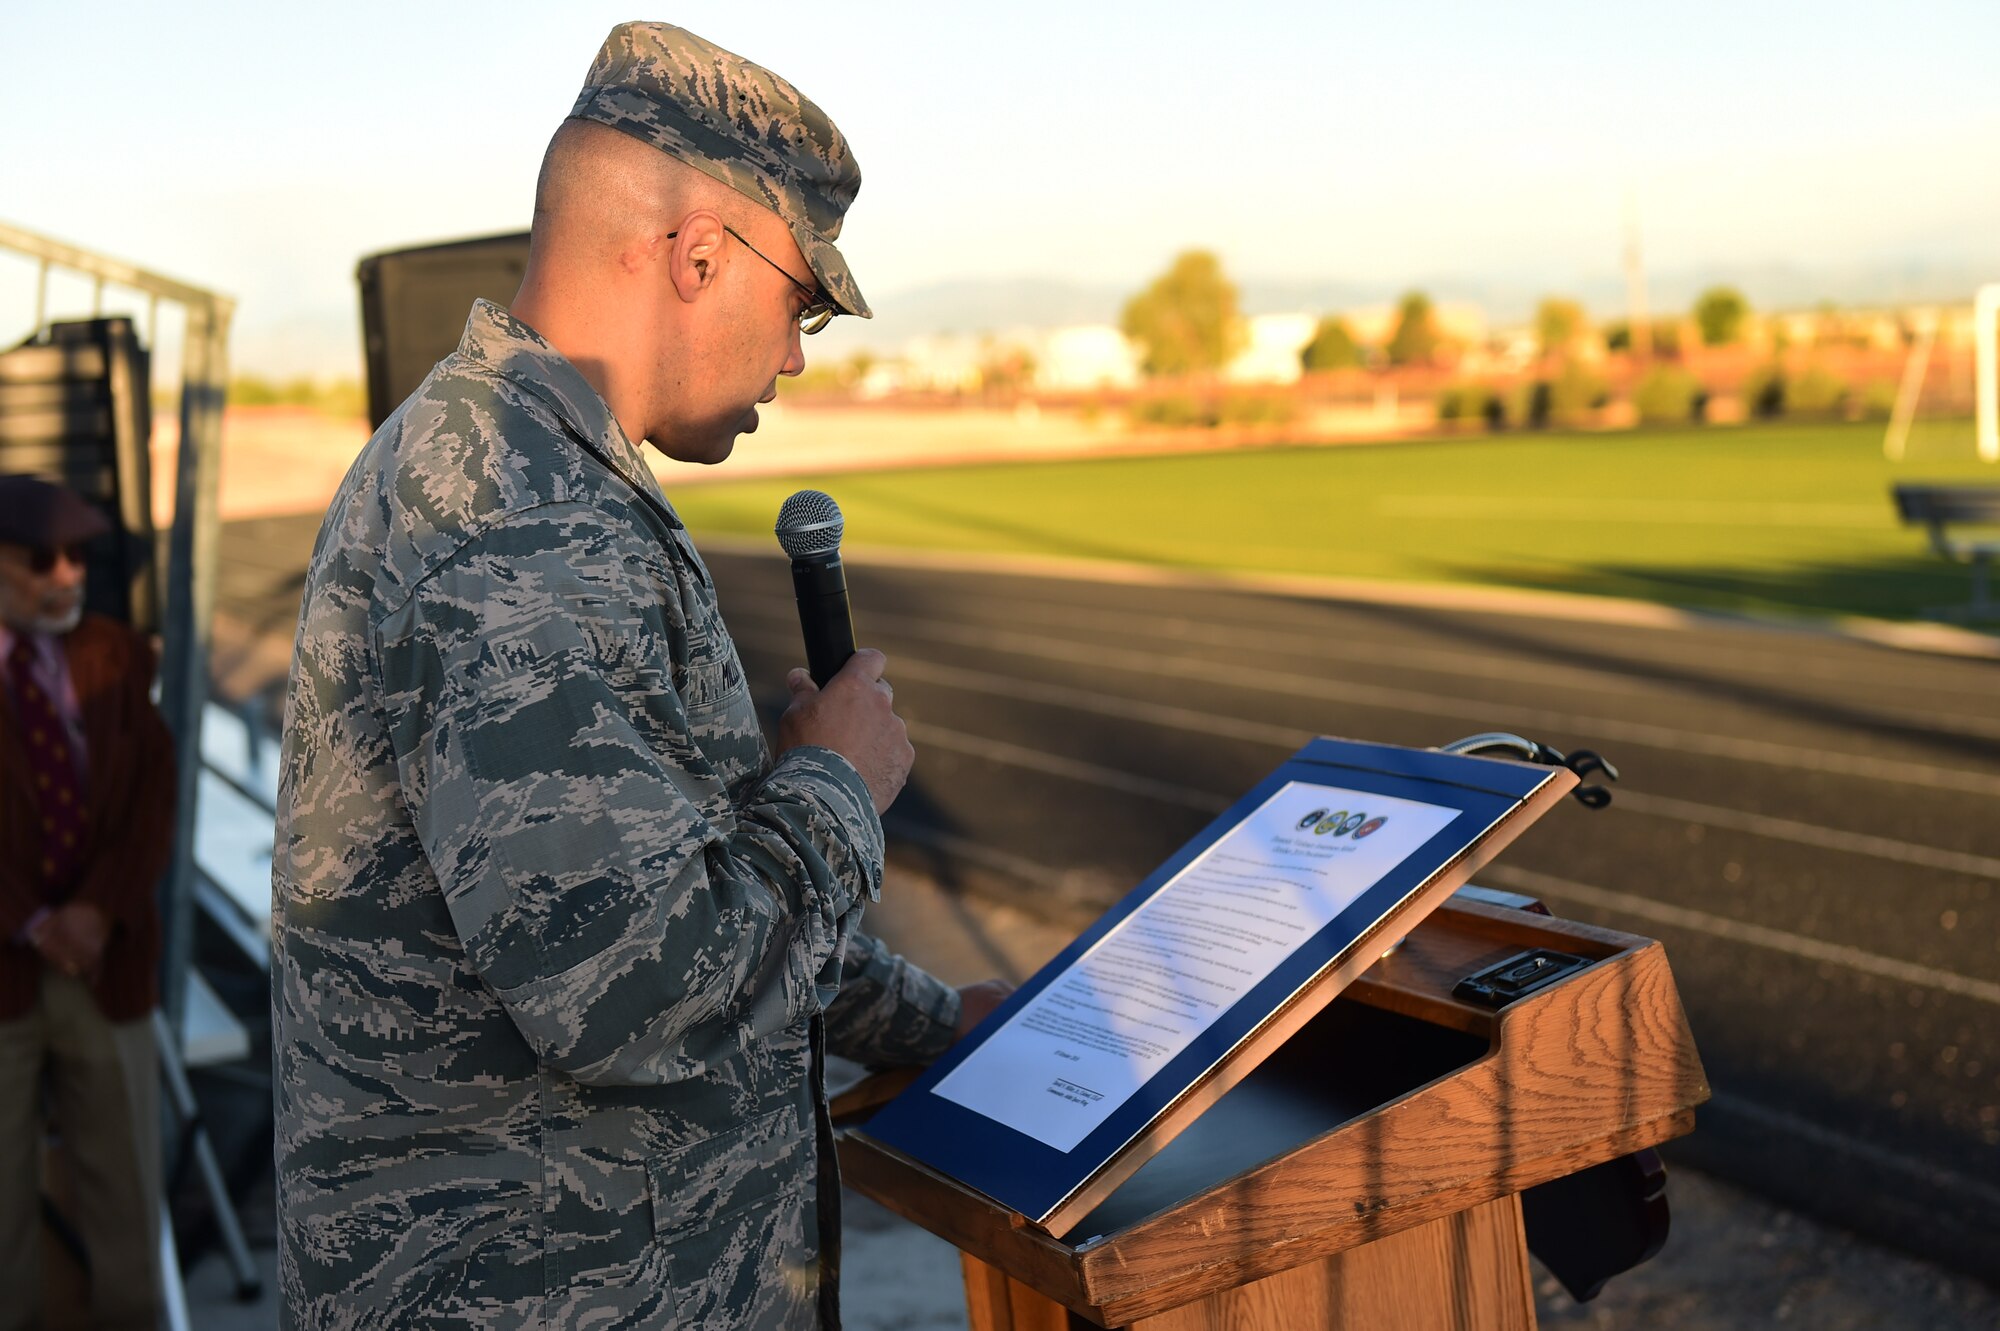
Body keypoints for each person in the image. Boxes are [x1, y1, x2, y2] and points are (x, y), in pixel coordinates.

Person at [273, 21, 1008, 1330]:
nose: (794, 354)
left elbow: (673, 890)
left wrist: (929, 1017)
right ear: (699, 251)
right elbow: (631, 990)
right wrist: (840, 785)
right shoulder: (505, 507)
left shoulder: (531, 472)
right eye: (805, 302)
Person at [0, 473, 174, 1331]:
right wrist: (31, 921)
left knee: (129, 1202)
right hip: (6, 976)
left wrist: (96, 912)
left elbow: (151, 796)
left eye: (78, 555)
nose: (67, 573)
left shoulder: (116, 652)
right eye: (41, 559)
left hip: (107, 966)